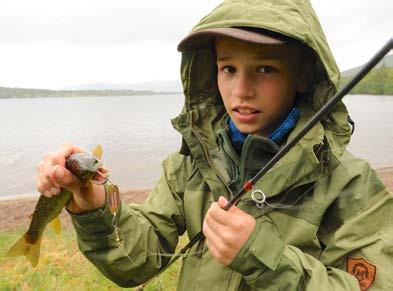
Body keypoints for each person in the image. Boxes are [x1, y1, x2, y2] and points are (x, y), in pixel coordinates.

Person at [36, 0, 392, 290]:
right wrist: (92, 204)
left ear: (303, 76)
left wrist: (261, 254)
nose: (240, 91)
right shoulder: (189, 165)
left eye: (265, 69)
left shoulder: (352, 185)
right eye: (228, 69)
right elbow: (136, 263)